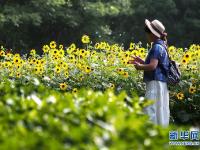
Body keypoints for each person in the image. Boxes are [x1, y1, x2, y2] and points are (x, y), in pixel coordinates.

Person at [129, 19, 170, 127]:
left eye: (147, 30)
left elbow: (153, 66)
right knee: (160, 110)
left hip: (155, 83)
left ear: (153, 34)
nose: (146, 33)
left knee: (150, 109)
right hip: (161, 84)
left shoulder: (156, 47)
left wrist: (139, 67)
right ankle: (160, 135)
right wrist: (142, 61)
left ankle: (151, 136)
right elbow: (157, 65)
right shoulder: (162, 46)